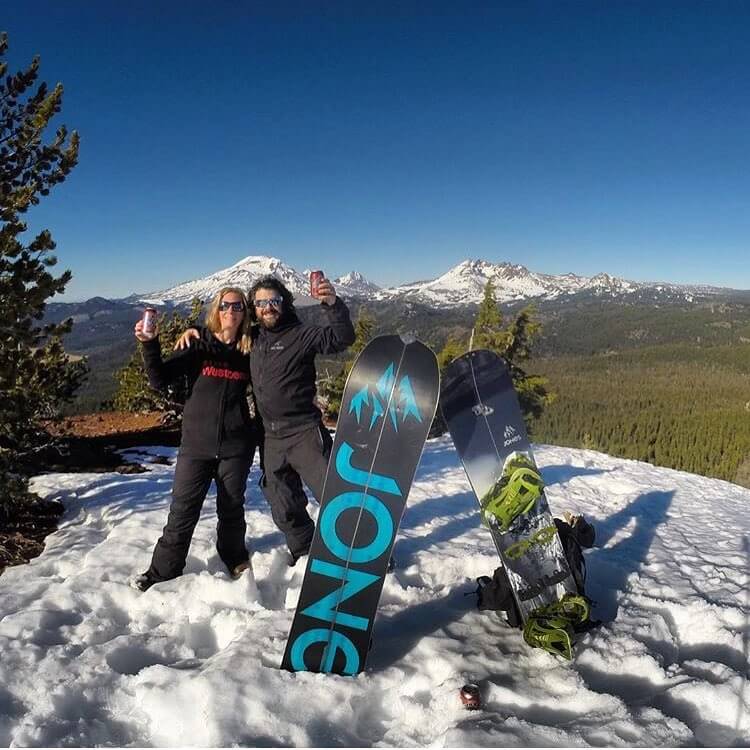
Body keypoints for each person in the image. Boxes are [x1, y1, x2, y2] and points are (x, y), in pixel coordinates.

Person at [176, 275, 355, 565]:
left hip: (303, 432)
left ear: (283, 303)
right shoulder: (252, 338)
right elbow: (222, 337)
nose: (267, 307)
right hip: (270, 437)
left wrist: (332, 304)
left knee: (333, 492)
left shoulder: (301, 334)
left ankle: (363, 550)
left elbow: (341, 338)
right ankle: (305, 550)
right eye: (260, 303)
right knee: (283, 502)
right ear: (253, 309)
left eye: (273, 301)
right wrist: (195, 331)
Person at [131, 287, 258, 591]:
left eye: (238, 306)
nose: (231, 311)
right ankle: (162, 572)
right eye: (225, 305)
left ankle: (234, 555)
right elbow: (159, 379)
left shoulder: (251, 349)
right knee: (182, 511)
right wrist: (150, 344)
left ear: (244, 313)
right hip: (196, 446)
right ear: (217, 310)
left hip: (236, 447)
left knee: (232, 507)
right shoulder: (198, 344)